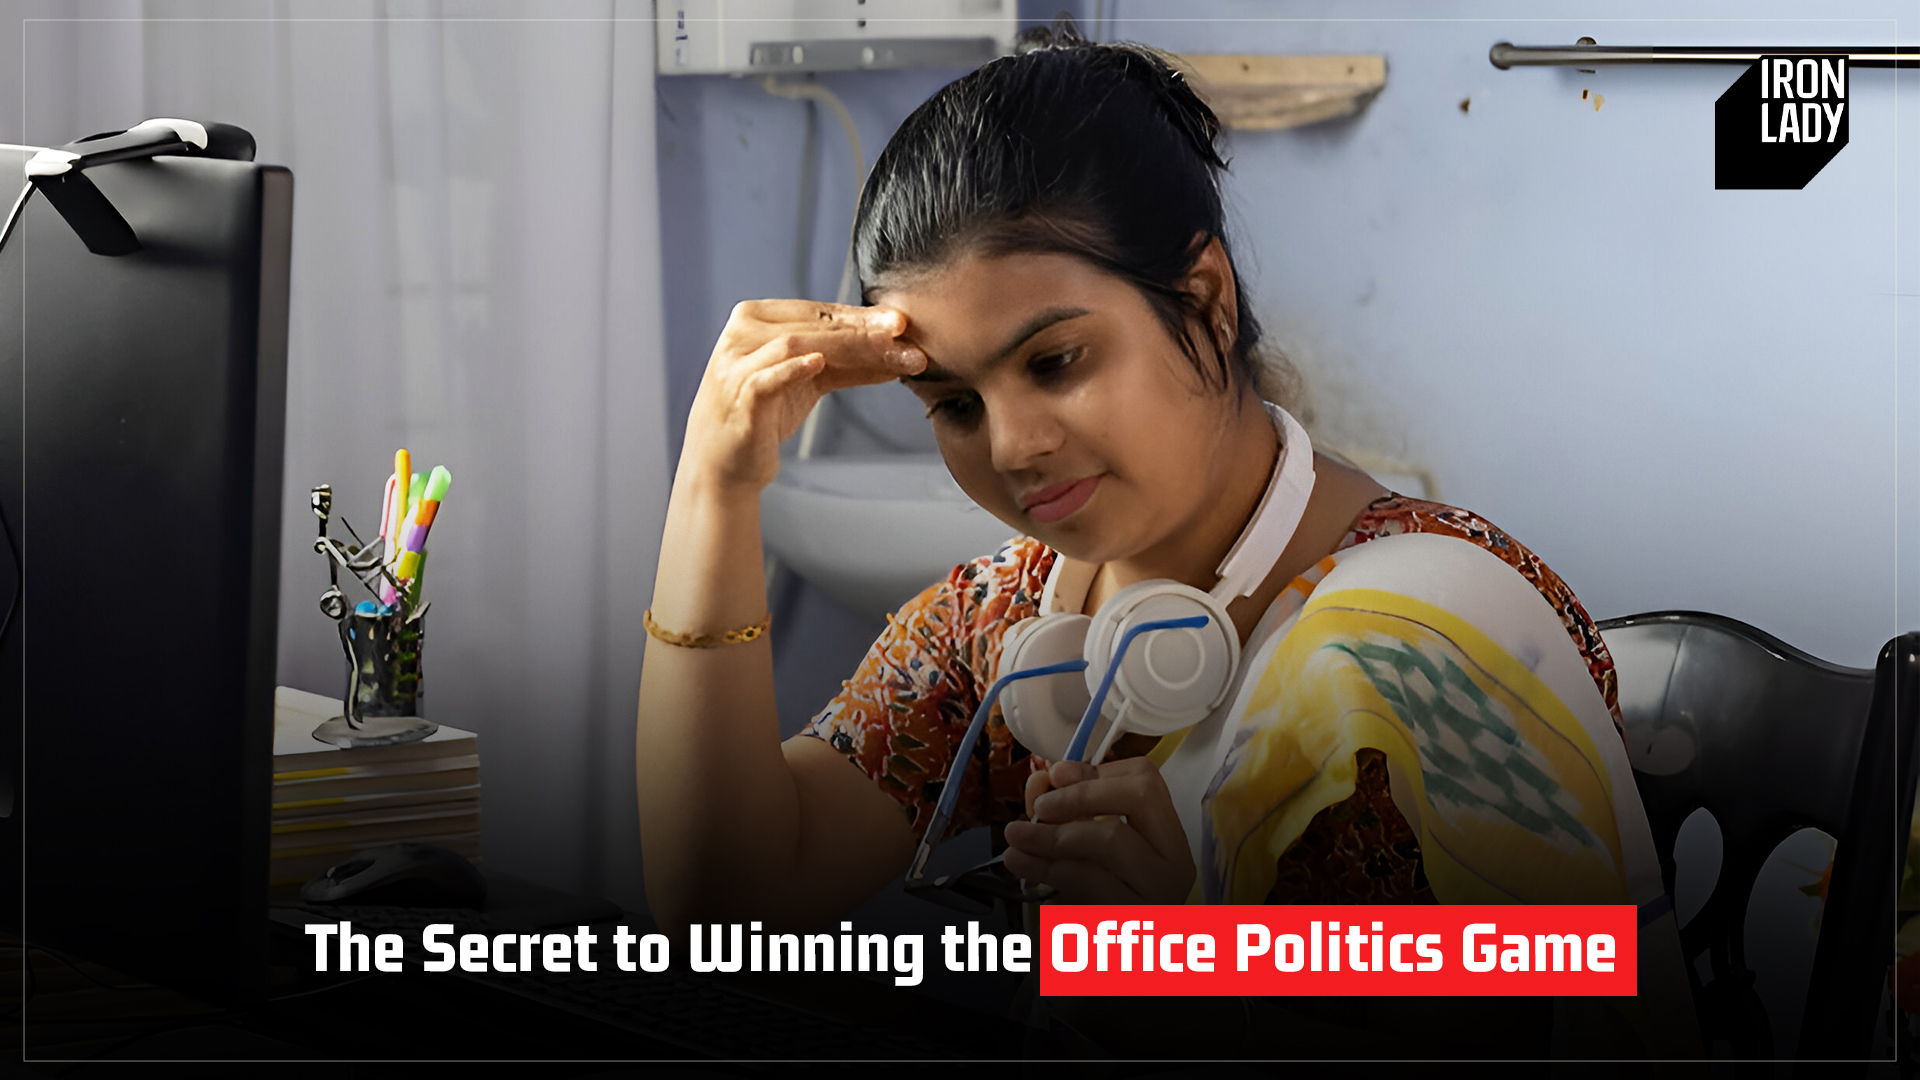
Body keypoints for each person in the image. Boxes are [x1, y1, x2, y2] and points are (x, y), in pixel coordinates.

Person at [637, 30, 1693, 1057]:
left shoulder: (1444, 640)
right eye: (954, 404)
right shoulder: (1010, 627)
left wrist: (1188, 998)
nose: (1013, 447)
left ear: (1204, 299)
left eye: (1055, 361)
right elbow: (729, 906)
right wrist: (713, 485)